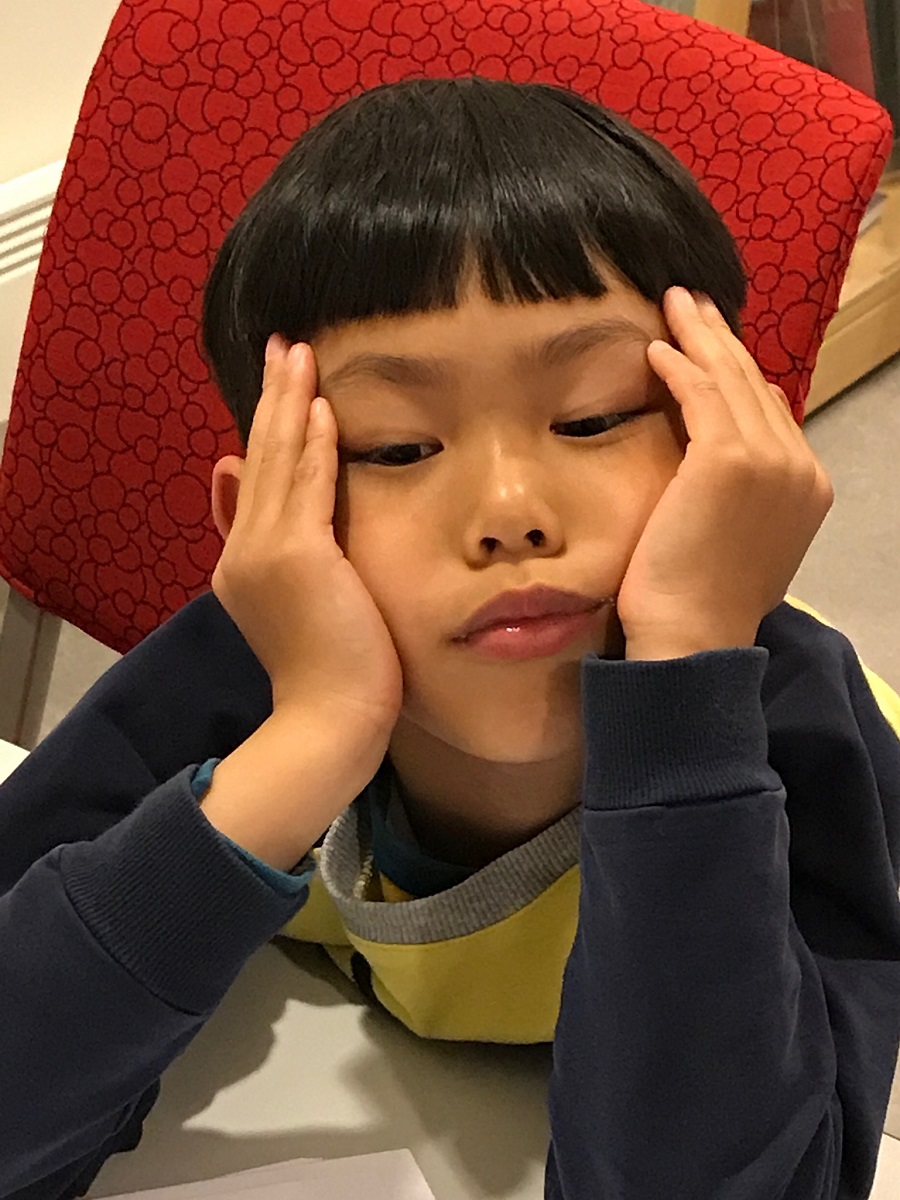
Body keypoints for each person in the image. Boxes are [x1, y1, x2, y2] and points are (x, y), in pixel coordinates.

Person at [2, 75, 899, 1200]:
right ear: (267, 519)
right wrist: (315, 736)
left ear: (727, 450)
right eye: (396, 447)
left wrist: (684, 702)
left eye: (590, 418)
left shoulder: (797, 731)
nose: (509, 509)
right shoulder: (246, 674)